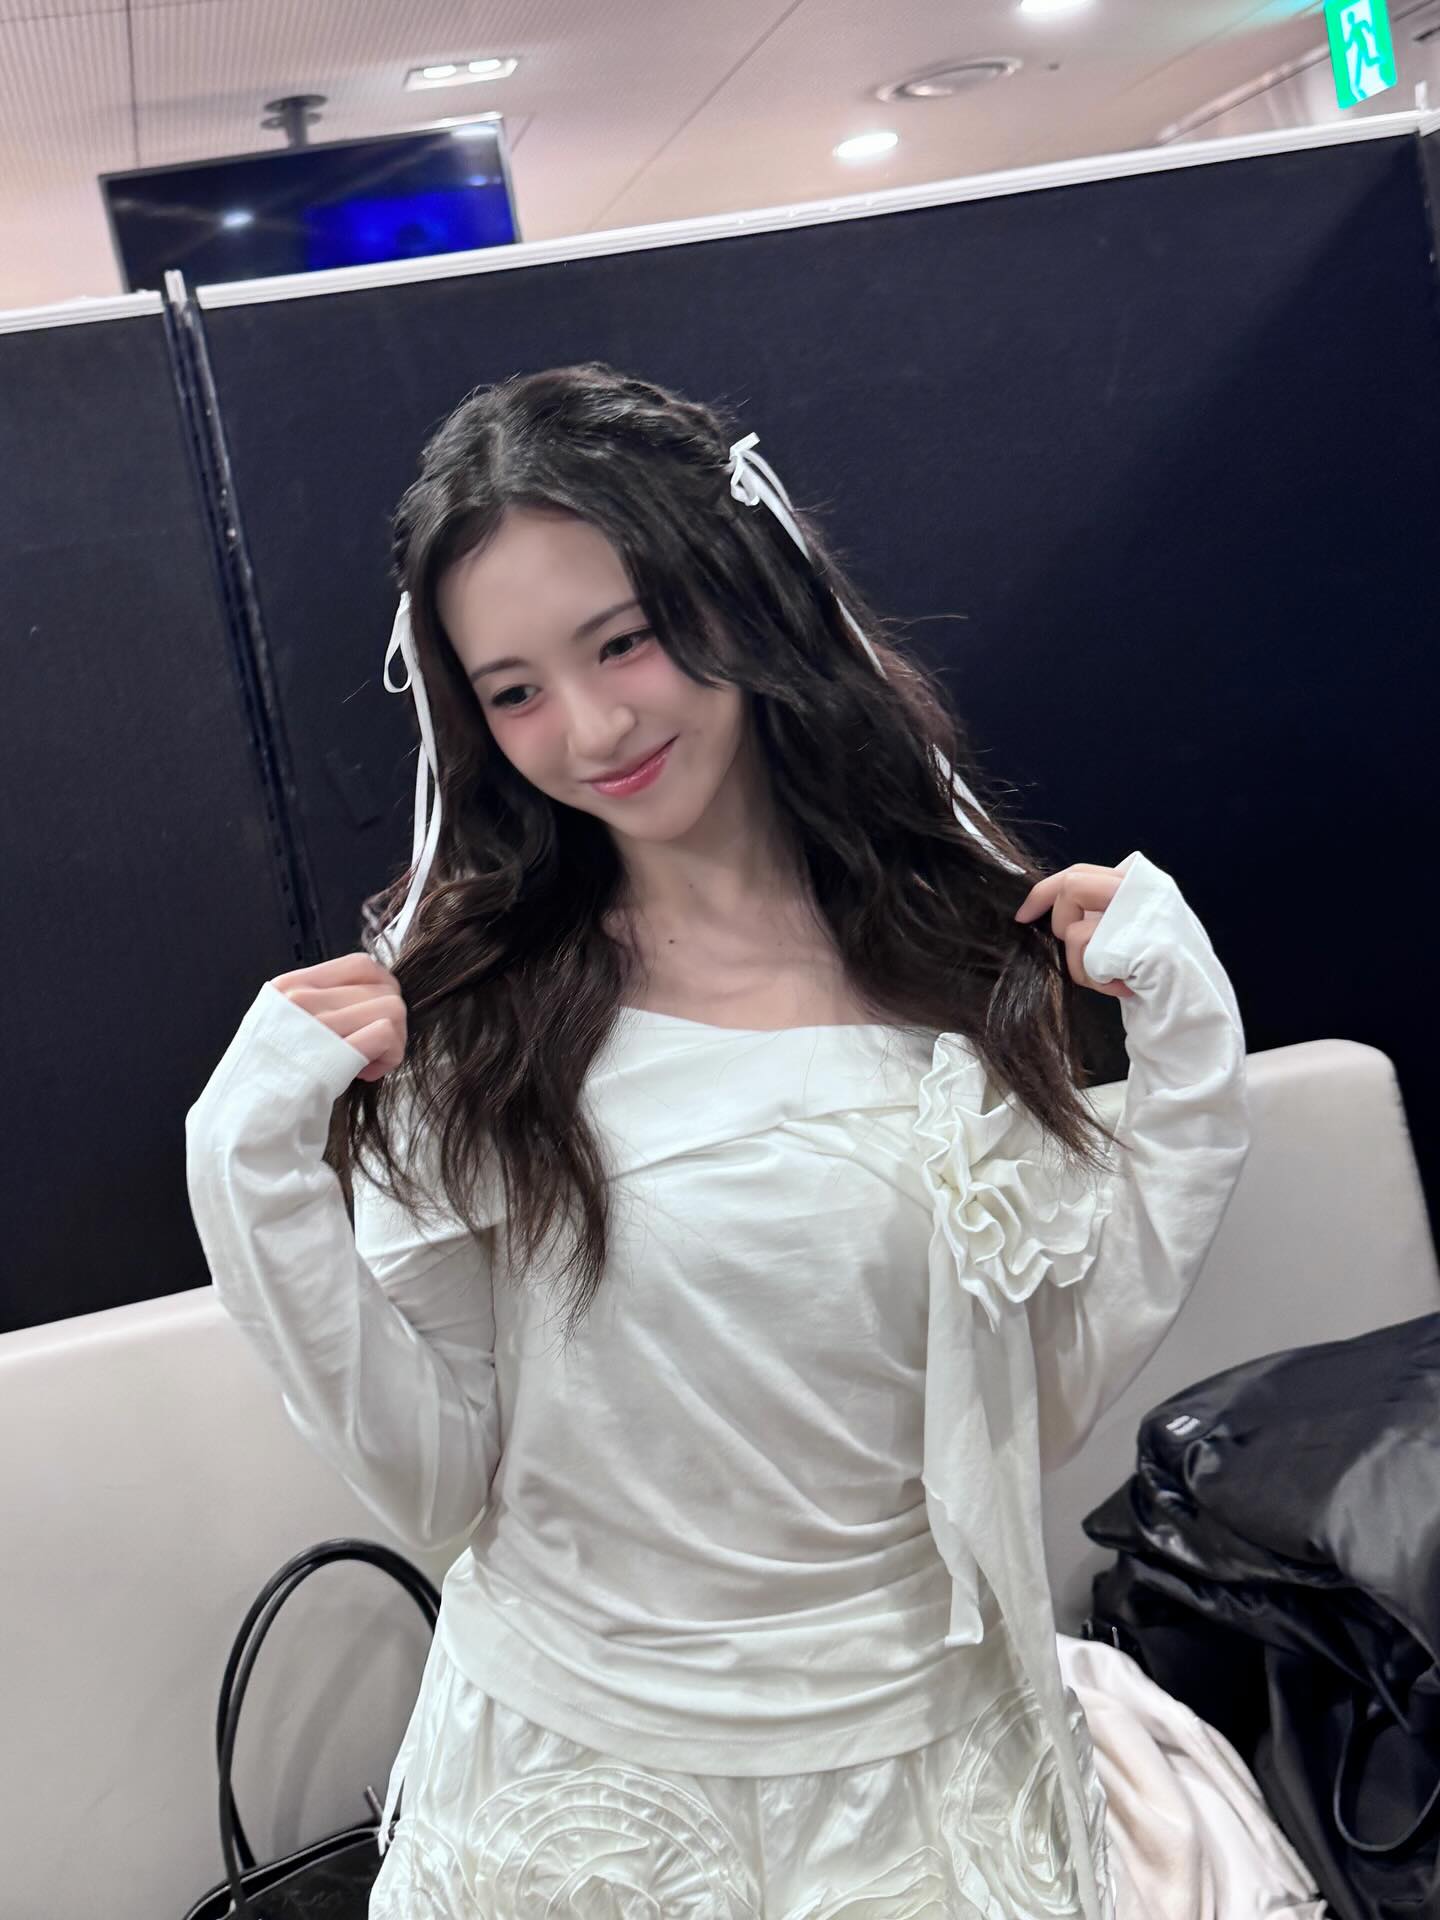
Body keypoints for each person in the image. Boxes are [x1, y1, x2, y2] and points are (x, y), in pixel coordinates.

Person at [184, 361, 1251, 1919]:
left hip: (924, 1770)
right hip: (585, 1790)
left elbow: (1041, 1401)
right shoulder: (474, 1024)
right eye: (515, 690)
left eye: (625, 640)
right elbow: (437, 1482)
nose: (592, 726)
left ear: (741, 590)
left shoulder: (967, 959)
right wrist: (247, 1169)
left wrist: (1189, 1046)